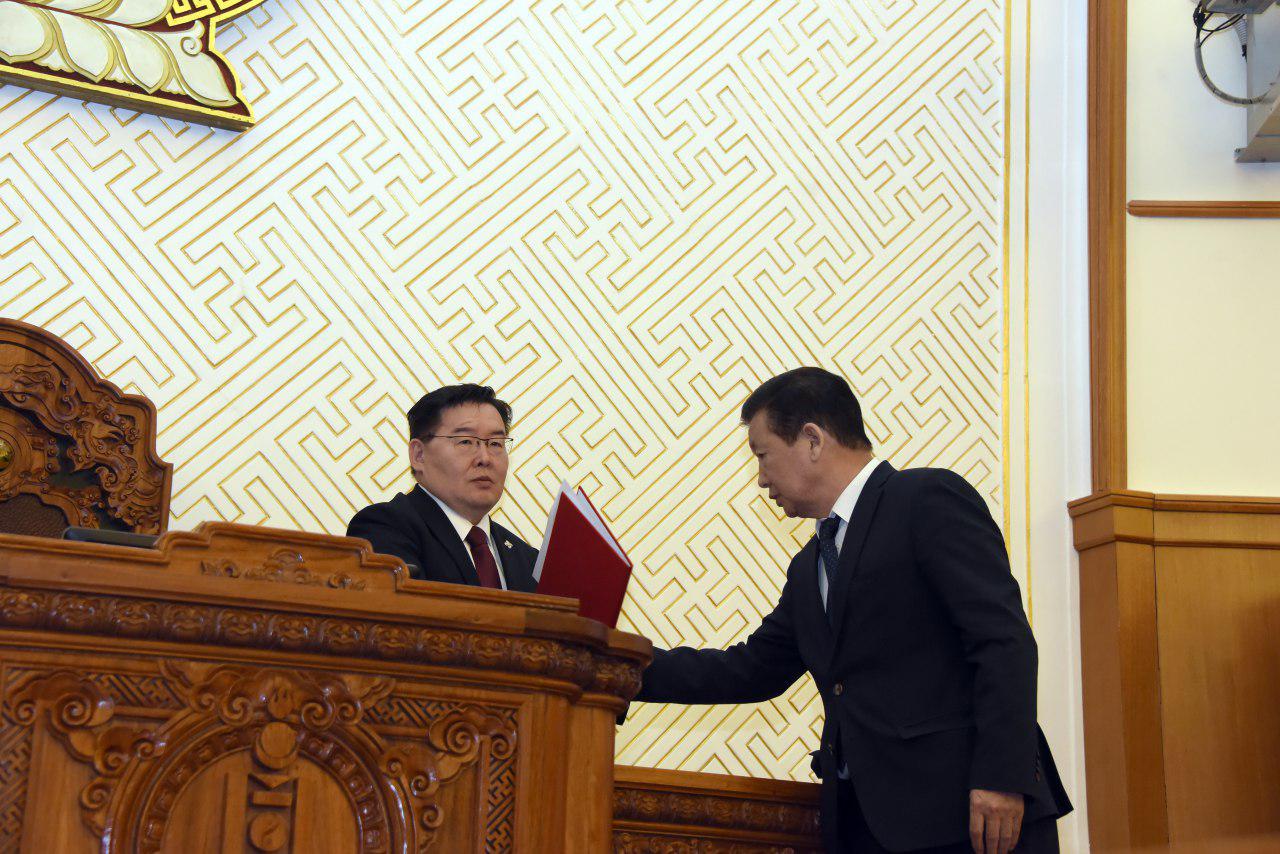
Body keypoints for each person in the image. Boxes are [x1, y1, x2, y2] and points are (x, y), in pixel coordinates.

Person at [634, 368, 1071, 854]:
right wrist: (619, 668)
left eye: (762, 455)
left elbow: (1002, 640)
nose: (761, 479)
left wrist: (1002, 777)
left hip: (967, 818)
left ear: (812, 440)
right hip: (863, 826)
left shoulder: (925, 499)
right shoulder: (809, 566)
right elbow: (751, 669)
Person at [347, 383, 538, 592]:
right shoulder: (385, 528)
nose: (485, 458)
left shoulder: (529, 560)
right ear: (419, 455)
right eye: (466, 441)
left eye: (495, 443)